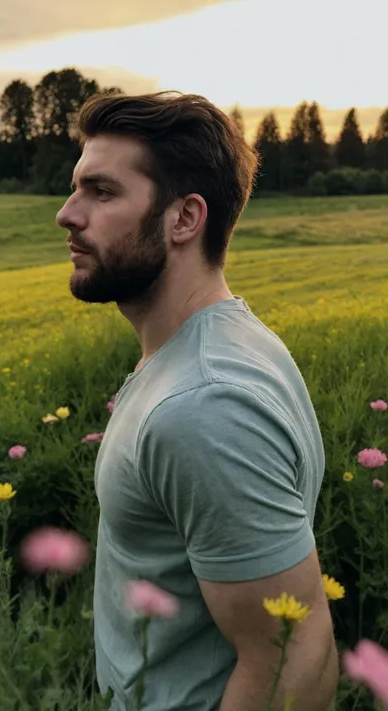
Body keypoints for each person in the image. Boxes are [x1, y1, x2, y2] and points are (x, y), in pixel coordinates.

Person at [56, 91, 339, 711]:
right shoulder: (209, 345)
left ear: (184, 218)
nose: (67, 214)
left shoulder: (204, 406)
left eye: (102, 193)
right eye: (76, 188)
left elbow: (296, 656)